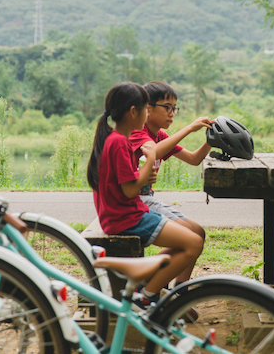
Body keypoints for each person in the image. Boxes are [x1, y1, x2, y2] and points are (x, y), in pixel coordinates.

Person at [87, 82, 204, 310]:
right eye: (145, 109)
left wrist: (143, 173)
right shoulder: (120, 142)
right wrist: (149, 163)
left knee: (191, 239)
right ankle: (147, 296)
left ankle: (152, 290)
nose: (147, 114)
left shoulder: (114, 138)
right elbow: (130, 191)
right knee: (193, 243)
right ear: (134, 112)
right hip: (126, 217)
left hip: (127, 213)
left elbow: (128, 184)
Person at [129, 81, 211, 288]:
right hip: (135, 200)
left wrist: (212, 139)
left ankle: (180, 289)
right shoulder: (138, 132)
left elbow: (193, 159)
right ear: (147, 108)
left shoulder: (160, 135)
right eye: (167, 107)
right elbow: (153, 151)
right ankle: (151, 281)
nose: (172, 113)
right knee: (188, 236)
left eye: (174, 108)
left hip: (147, 198)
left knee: (198, 231)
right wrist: (190, 128)